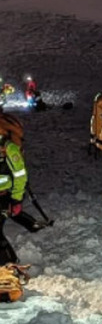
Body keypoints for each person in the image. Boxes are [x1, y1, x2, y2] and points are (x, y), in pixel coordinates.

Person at [0, 112, 28, 264]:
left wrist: (16, 200)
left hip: (4, 196)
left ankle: (11, 267)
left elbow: (20, 174)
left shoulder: (8, 147)